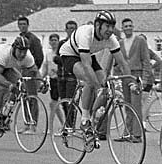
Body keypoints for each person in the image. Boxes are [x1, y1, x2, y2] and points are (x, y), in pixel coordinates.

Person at [58, 10, 137, 138]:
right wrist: (97, 87)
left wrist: (131, 82)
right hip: (70, 55)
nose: (110, 30)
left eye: (112, 26)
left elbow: (123, 63)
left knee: (104, 84)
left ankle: (95, 115)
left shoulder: (111, 39)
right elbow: (86, 65)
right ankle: (84, 119)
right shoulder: (86, 34)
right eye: (107, 26)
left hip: (89, 55)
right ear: (97, 25)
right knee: (91, 80)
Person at [0, 36, 37, 129]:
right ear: (14, 48)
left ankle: (6, 112)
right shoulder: (5, 54)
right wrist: (9, 85)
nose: (22, 54)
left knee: (20, 84)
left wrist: (42, 83)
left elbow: (34, 71)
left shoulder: (28, 57)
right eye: (20, 51)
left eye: (24, 51)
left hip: (7, 66)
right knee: (1, 87)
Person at [113, 18, 151, 140]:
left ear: (133, 27)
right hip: (125, 76)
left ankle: (137, 134)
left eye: (130, 25)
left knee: (136, 105)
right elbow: (117, 62)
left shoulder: (140, 40)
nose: (128, 28)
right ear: (122, 28)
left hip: (136, 75)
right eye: (125, 26)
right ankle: (127, 132)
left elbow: (146, 60)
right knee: (127, 104)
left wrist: (144, 80)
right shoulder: (120, 42)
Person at [41, 33, 64, 128]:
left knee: (53, 104)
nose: (53, 42)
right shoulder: (48, 54)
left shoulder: (61, 53)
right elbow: (45, 68)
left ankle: (51, 126)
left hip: (60, 79)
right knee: (54, 104)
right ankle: (63, 124)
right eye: (52, 40)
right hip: (52, 80)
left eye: (55, 40)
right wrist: (41, 79)